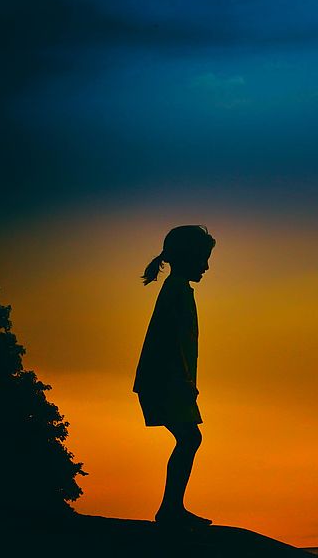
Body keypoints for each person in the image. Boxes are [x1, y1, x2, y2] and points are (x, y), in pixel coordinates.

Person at [133, 225, 216, 526]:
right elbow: (170, 342)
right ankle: (170, 509)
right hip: (166, 383)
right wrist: (184, 382)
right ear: (187, 257)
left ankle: (171, 508)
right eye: (203, 259)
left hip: (167, 382)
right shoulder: (177, 292)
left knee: (190, 438)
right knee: (190, 438)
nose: (206, 266)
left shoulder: (178, 290)